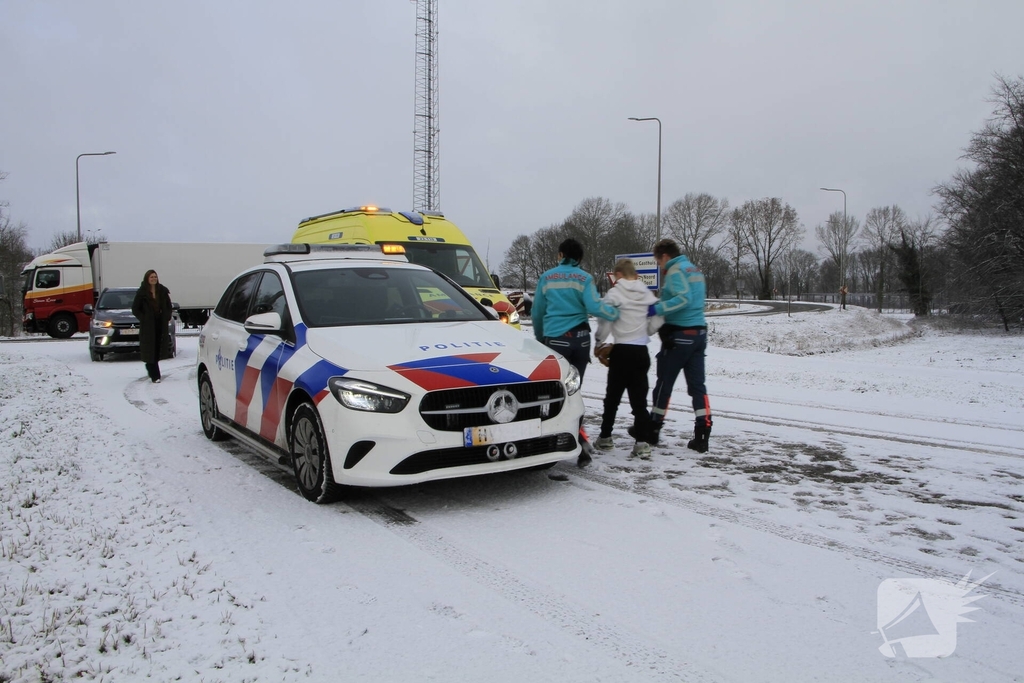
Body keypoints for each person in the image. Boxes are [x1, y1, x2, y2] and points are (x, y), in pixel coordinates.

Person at [532, 238, 619, 466]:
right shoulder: (585, 278)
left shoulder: (547, 277)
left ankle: (565, 440)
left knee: (554, 393)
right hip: (580, 341)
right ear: (579, 258)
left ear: (560, 254)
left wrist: (540, 338)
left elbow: (538, 312)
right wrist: (615, 314)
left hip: (556, 340)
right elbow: (594, 306)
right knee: (574, 391)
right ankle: (580, 440)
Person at [644, 239, 712, 453]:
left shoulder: (674, 271)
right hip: (699, 333)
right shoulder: (695, 270)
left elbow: (683, 298)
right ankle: (702, 435)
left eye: (658, 262)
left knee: (664, 383)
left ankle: (653, 429)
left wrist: (658, 309)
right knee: (697, 387)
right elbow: (696, 301)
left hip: (680, 335)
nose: (659, 267)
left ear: (665, 256)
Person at [593, 259, 662, 459]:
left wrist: (599, 341)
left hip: (621, 350)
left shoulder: (614, 294)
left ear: (619, 274)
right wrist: (647, 330)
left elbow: (605, 318)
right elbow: (659, 314)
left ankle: (605, 438)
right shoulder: (646, 293)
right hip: (641, 351)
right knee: (639, 401)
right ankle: (641, 443)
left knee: (612, 398)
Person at [132, 269, 173, 383]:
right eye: (151, 277)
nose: (153, 279)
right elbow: (135, 308)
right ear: (147, 279)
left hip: (160, 324)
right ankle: (155, 375)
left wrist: (167, 316)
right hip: (148, 326)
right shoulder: (142, 293)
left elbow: (168, 306)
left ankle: (154, 372)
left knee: (157, 348)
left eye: (155, 277)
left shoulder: (162, 291)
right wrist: (144, 318)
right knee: (149, 350)